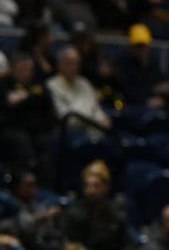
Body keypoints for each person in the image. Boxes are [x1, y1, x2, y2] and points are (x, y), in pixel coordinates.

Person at [0, 54, 57, 182]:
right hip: (13, 129)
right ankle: (24, 181)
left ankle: (46, 185)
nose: (26, 73)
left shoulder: (37, 83)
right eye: (22, 70)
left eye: (29, 70)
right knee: (21, 143)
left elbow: (45, 100)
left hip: (37, 129)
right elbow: (7, 103)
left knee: (48, 146)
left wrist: (24, 97)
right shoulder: (5, 84)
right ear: (13, 69)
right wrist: (28, 98)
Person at [63, 161, 130, 250]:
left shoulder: (115, 213)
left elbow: (126, 243)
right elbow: (71, 244)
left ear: (106, 187)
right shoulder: (75, 213)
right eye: (88, 186)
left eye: (96, 186)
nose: (92, 191)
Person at [46, 46, 111, 135]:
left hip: (95, 130)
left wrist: (102, 118)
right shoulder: (52, 85)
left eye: (76, 63)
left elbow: (96, 109)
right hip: (70, 134)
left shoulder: (84, 82)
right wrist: (88, 102)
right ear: (60, 65)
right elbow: (70, 120)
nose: (73, 67)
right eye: (70, 63)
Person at [114, 24, 169, 108]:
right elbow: (127, 90)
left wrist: (167, 87)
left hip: (156, 103)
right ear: (131, 46)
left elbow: (161, 78)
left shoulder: (152, 62)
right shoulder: (123, 64)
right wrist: (147, 99)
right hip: (132, 106)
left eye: (144, 46)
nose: (142, 49)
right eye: (138, 46)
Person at [0, 171, 65, 250]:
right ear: (17, 187)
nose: (33, 189)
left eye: (34, 184)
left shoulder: (34, 203)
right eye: (28, 185)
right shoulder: (8, 205)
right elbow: (23, 226)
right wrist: (44, 216)